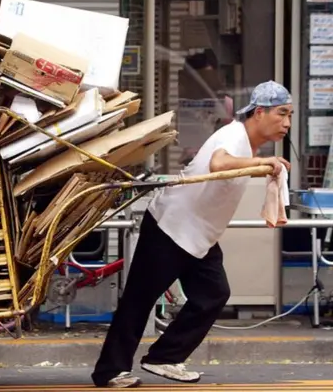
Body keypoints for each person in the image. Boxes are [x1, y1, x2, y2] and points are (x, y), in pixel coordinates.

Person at [91, 81, 293, 388]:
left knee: (214, 294)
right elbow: (218, 163)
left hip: (199, 236)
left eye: (290, 115)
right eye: (282, 113)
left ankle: (164, 357)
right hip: (171, 227)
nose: (287, 123)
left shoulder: (247, 144)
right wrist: (262, 163)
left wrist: (261, 163)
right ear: (260, 113)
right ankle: (110, 371)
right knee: (140, 298)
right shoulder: (233, 134)